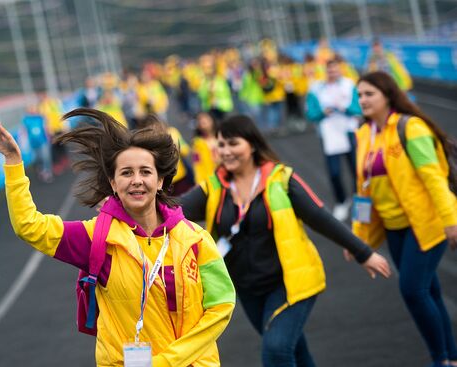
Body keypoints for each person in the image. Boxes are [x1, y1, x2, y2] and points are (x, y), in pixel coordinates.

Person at [0, 109, 236, 366]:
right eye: (126, 173)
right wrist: (14, 163)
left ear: (161, 181)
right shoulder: (96, 237)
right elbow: (29, 226)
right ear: (113, 183)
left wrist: (168, 361)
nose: (136, 180)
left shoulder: (195, 239)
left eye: (145, 171)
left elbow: (221, 305)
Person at [180, 115, 391, 367]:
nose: (225, 151)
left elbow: (319, 216)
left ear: (253, 145)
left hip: (290, 283)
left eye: (233, 143)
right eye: (221, 145)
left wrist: (363, 252)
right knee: (295, 351)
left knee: (276, 350)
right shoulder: (214, 187)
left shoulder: (281, 179)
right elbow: (174, 211)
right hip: (247, 289)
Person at [354, 71, 457, 367]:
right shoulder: (364, 134)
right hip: (394, 229)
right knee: (429, 290)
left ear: (388, 95)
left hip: (427, 222)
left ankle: (441, 360)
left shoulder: (410, 128)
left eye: (369, 94)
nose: (363, 100)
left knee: (413, 290)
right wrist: (357, 236)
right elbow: (362, 189)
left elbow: (433, 178)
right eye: (359, 95)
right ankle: (450, 357)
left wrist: (451, 220)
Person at [306, 56, 362, 221]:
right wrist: (323, 113)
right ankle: (341, 201)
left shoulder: (349, 85)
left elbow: (358, 108)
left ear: (340, 69)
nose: (333, 72)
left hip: (349, 132)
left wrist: (344, 107)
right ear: (326, 70)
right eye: (330, 69)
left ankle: (360, 203)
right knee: (334, 172)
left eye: (335, 69)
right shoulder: (316, 88)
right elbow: (310, 113)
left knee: (357, 171)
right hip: (329, 135)